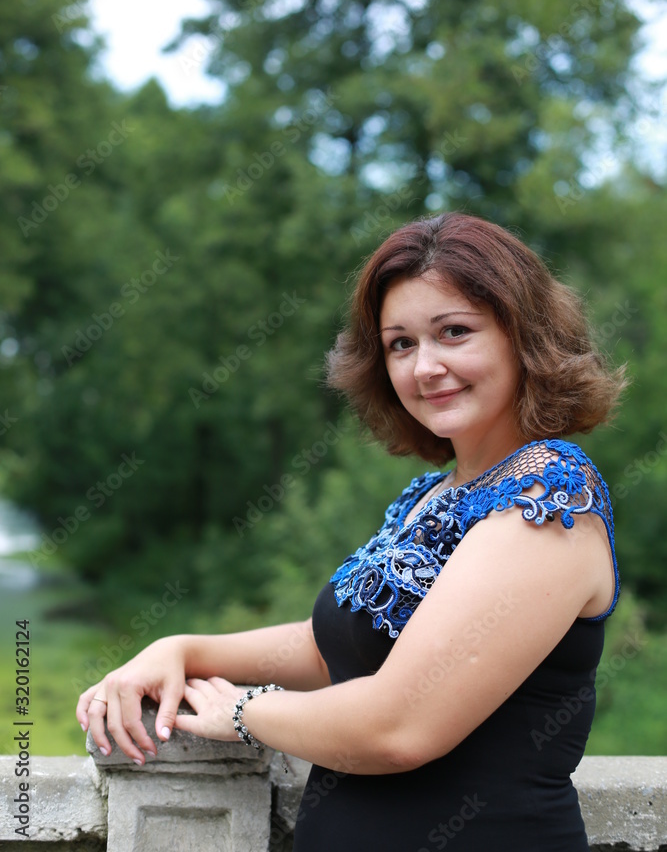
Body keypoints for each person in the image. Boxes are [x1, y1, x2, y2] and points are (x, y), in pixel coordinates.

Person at [77, 212, 625, 852]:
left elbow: (399, 727)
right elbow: (331, 647)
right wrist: (183, 649)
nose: (425, 368)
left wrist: (240, 712)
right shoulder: (440, 494)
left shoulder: (547, 500)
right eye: (401, 343)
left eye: (454, 332)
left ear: (523, 338)